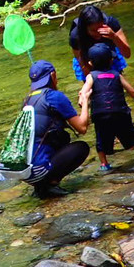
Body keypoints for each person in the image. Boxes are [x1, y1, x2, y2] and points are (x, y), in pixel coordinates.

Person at [21, 59, 91, 196]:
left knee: (61, 138)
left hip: (24, 172)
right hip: (38, 171)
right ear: (53, 76)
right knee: (81, 147)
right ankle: (49, 183)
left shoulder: (27, 100)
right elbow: (82, 128)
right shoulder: (53, 97)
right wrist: (86, 101)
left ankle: (40, 186)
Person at [77, 44, 134, 172]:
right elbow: (131, 91)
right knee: (131, 132)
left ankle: (104, 164)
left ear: (90, 63)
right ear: (111, 60)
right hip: (120, 111)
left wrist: (82, 101)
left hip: (101, 114)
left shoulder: (91, 77)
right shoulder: (116, 74)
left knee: (101, 138)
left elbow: (83, 91)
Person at [68, 4, 132, 82]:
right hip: (88, 59)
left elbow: (127, 54)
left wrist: (114, 37)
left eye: (100, 28)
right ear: (85, 29)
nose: (98, 33)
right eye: (93, 30)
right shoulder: (76, 35)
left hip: (109, 55)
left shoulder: (111, 23)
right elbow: (83, 64)